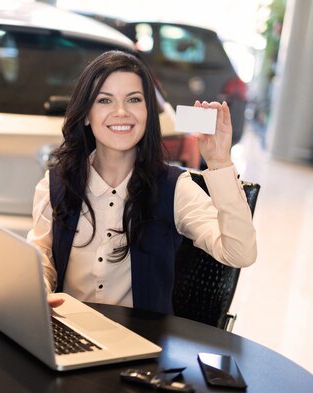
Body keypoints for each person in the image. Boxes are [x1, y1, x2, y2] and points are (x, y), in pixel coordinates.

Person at [27, 50, 256, 313]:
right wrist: (38, 289)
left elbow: (240, 253)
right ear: (87, 115)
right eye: (105, 100)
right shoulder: (55, 183)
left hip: (144, 344)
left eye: (134, 100)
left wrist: (219, 163)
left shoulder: (174, 187)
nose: (121, 112)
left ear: (148, 112)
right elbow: (42, 259)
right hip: (72, 336)